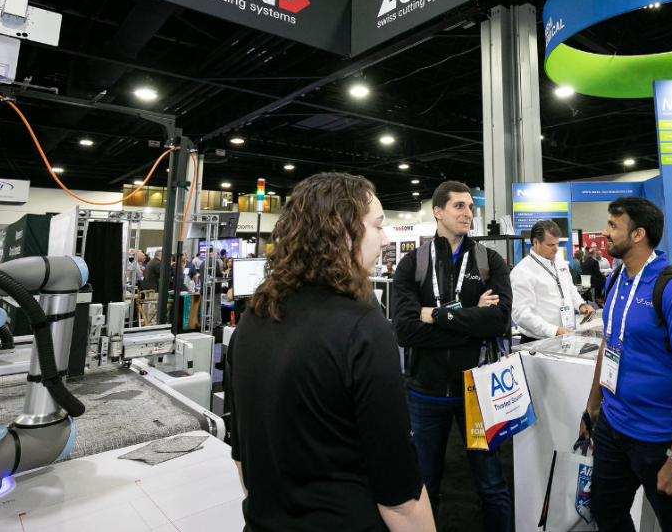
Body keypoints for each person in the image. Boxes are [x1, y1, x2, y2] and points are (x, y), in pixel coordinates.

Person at [224, 172, 433, 532]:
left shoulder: (253, 319)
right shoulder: (363, 328)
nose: (385, 239)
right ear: (342, 231)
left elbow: (244, 462)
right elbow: (400, 497)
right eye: (377, 226)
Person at [575, 196, 672, 532]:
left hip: (660, 437)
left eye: (613, 225)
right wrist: (592, 408)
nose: (604, 232)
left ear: (638, 235)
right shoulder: (616, 278)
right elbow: (609, 344)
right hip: (614, 426)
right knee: (606, 514)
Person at [391, 180, 513, 531]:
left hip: (476, 390)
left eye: (471, 207)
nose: (468, 213)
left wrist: (435, 314)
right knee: (424, 484)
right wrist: (472, 319)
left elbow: (499, 321)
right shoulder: (413, 263)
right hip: (424, 392)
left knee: (492, 484)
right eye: (459, 206)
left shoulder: (489, 261)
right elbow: (405, 331)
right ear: (438, 211)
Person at [511, 220, 595, 342]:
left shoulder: (560, 263)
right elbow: (521, 314)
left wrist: (581, 305)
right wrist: (553, 330)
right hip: (538, 341)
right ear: (535, 242)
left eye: (557, 244)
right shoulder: (522, 271)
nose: (556, 249)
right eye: (550, 245)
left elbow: (569, 289)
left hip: (565, 336)